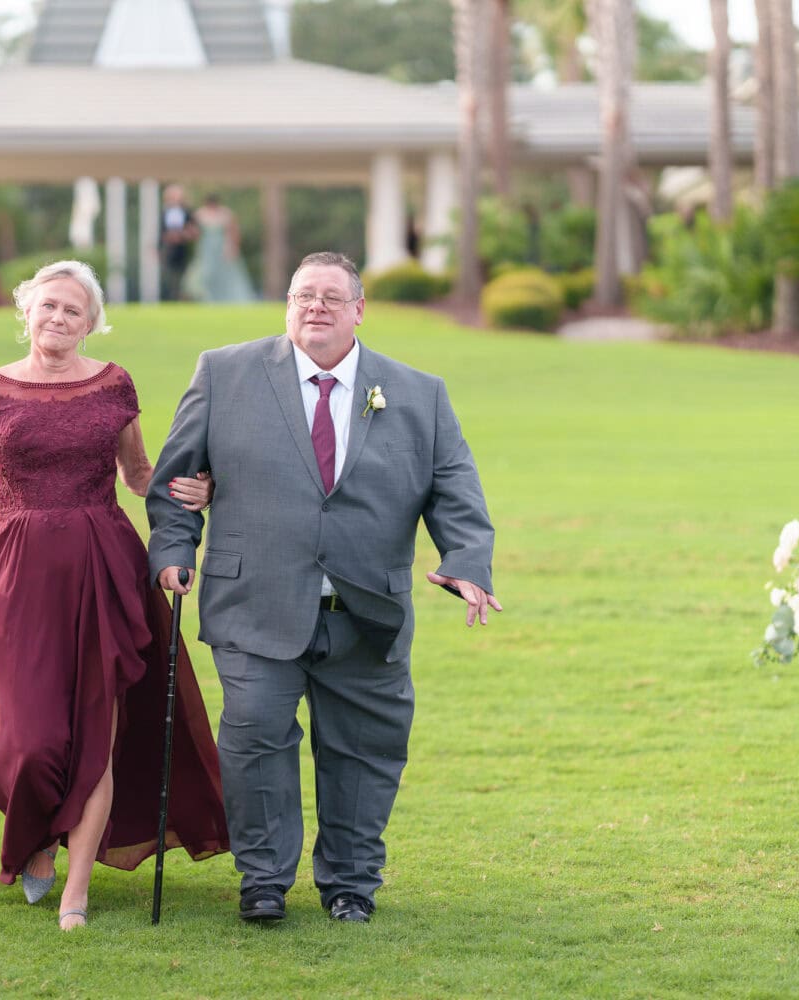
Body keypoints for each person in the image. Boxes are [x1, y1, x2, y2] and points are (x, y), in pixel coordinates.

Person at [148, 251, 499, 924]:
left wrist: (466, 563)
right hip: (253, 603)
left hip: (368, 612)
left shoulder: (418, 394)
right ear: (287, 305)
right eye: (304, 295)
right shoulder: (224, 374)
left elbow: (455, 489)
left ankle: (351, 884)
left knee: (364, 749)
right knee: (254, 741)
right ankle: (264, 881)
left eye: (332, 298)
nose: (316, 307)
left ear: (359, 310)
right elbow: (176, 480)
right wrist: (172, 548)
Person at [0, 260, 229, 931]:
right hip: (14, 576)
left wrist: (192, 490)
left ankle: (76, 891)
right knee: (30, 738)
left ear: (92, 320)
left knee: (96, 732)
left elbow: (137, 472)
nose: (59, 320)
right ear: (28, 313)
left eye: (73, 310)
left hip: (105, 570)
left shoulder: (113, 385)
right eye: (48, 307)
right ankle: (38, 834)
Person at [182, 194, 256, 304]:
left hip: (222, 248)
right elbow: (194, 231)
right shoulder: (200, 214)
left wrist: (232, 248)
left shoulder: (226, 214)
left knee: (226, 275)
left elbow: (233, 232)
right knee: (205, 274)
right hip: (206, 249)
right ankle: (207, 298)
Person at [159, 184, 197, 302]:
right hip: (169, 248)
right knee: (169, 275)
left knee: (183, 275)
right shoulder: (164, 212)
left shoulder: (187, 212)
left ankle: (181, 297)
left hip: (183, 249)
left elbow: (194, 230)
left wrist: (183, 235)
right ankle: (171, 297)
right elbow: (160, 232)